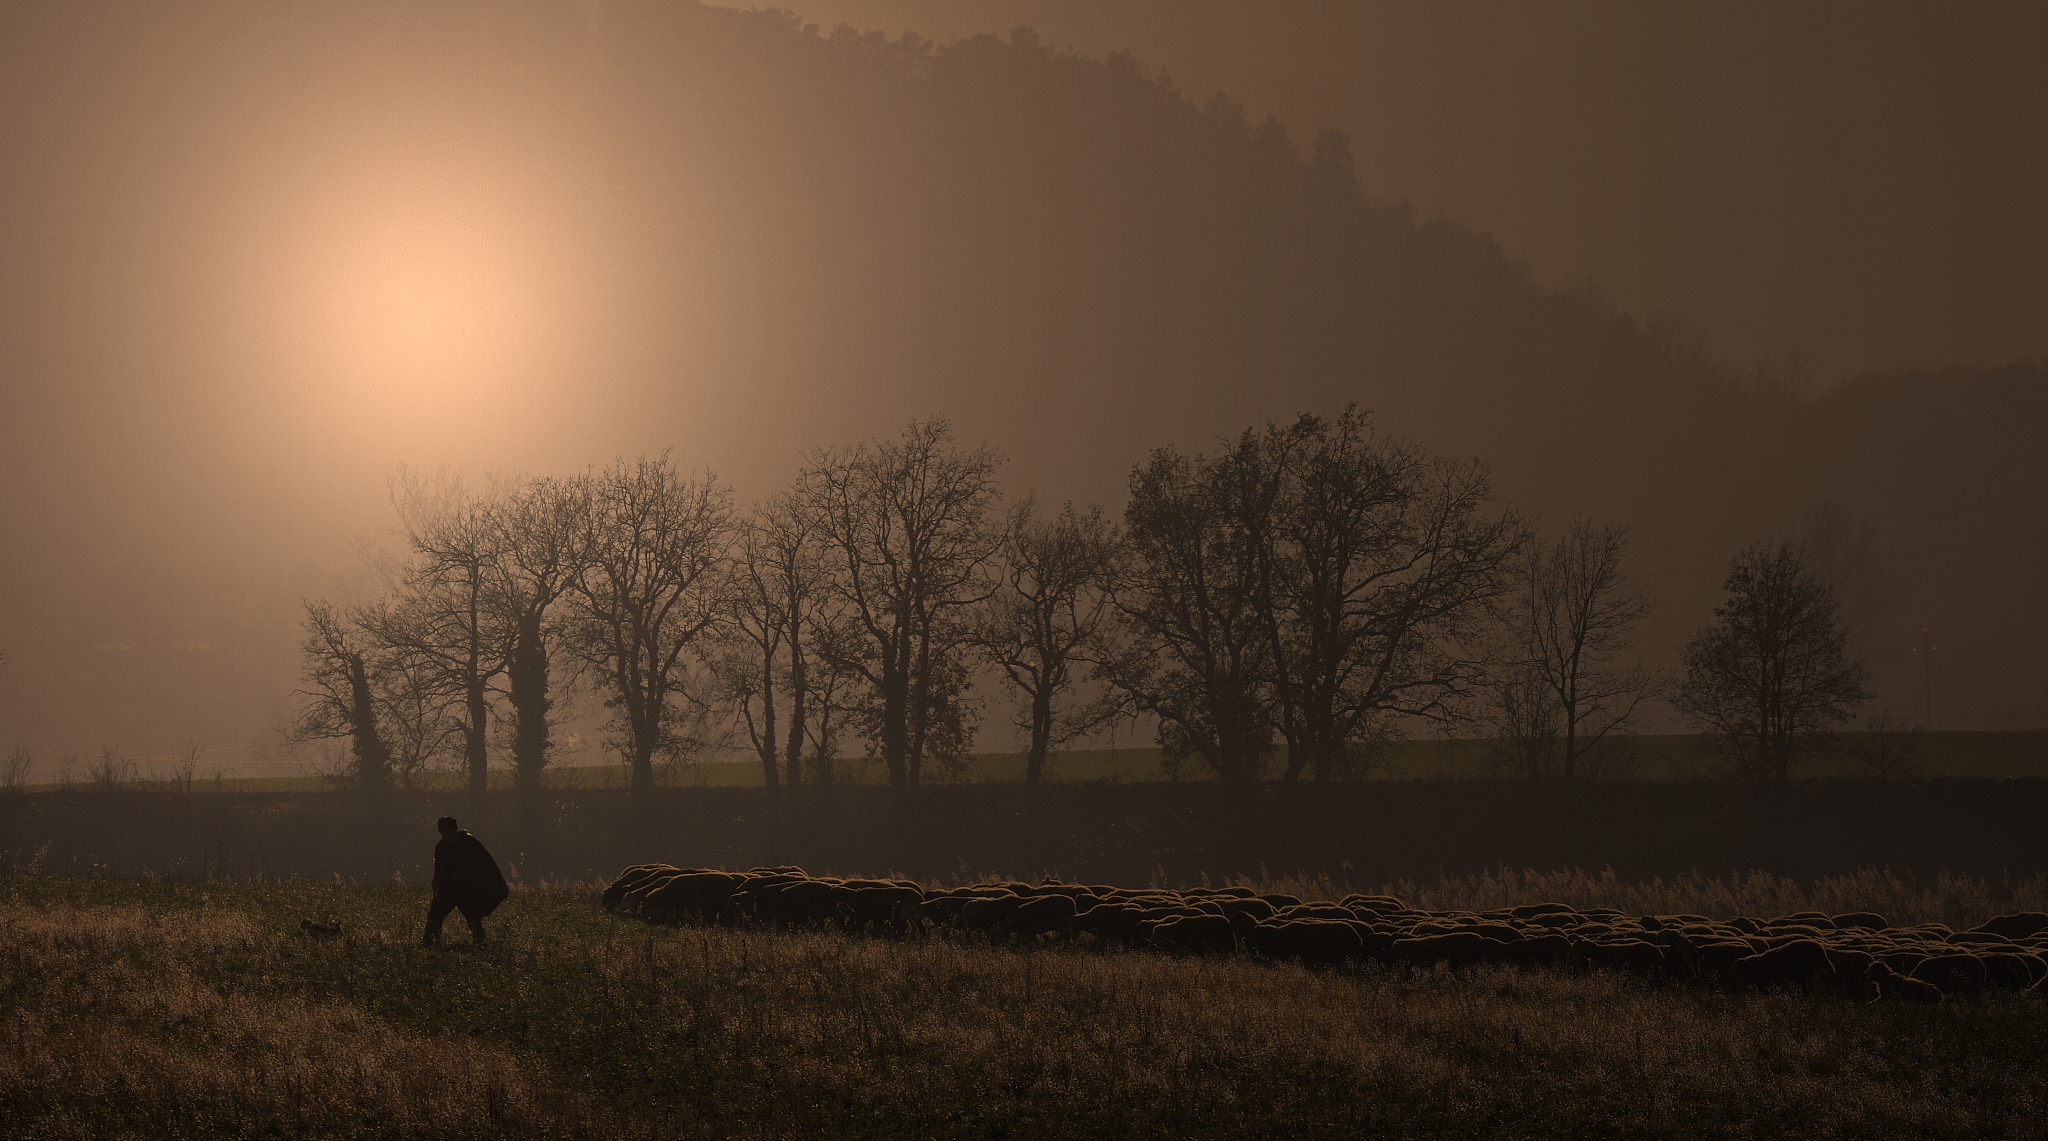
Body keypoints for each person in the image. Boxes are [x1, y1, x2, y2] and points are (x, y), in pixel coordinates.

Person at [422, 816, 509, 948]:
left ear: (454, 830)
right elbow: (438, 868)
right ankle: (430, 944)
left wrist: (463, 877)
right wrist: (436, 881)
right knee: (434, 917)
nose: (445, 835)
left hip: (468, 890)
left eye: (447, 831)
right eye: (443, 832)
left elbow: (483, 867)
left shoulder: (470, 844)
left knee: (473, 917)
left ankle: (480, 942)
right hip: (448, 888)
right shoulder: (441, 847)